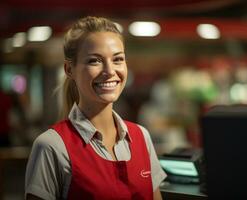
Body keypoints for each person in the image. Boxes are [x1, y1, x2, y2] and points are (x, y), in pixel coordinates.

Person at [25, 16, 167, 200]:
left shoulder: (142, 136)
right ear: (69, 70)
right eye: (94, 61)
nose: (110, 71)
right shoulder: (51, 146)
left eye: (118, 59)